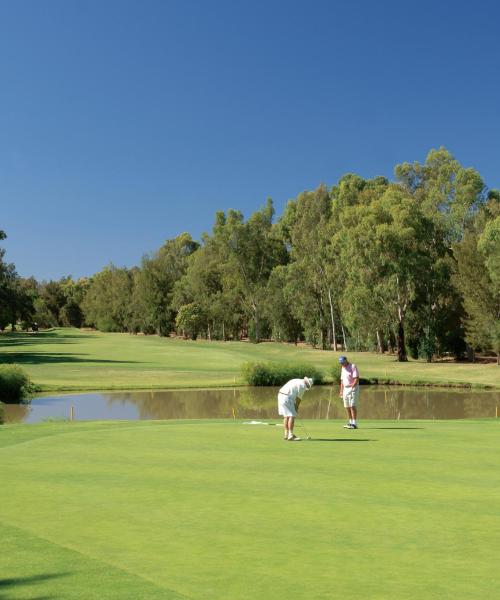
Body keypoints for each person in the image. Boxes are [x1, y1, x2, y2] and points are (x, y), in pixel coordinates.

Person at [278, 376, 313, 441]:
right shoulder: (302, 386)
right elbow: (298, 399)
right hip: (287, 397)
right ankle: (290, 435)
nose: (307, 387)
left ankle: (286, 434)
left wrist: (295, 406)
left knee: (286, 415)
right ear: (307, 384)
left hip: (280, 396)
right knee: (292, 415)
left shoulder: (296, 380)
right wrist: (296, 408)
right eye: (308, 386)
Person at [338, 355, 359, 429]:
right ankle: (350, 422)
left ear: (346, 360)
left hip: (352, 388)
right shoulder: (343, 368)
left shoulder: (352, 366)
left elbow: (356, 379)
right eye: (341, 363)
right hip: (345, 389)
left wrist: (352, 387)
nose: (342, 364)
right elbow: (342, 381)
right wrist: (341, 390)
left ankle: (354, 423)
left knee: (352, 405)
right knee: (347, 406)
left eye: (343, 362)